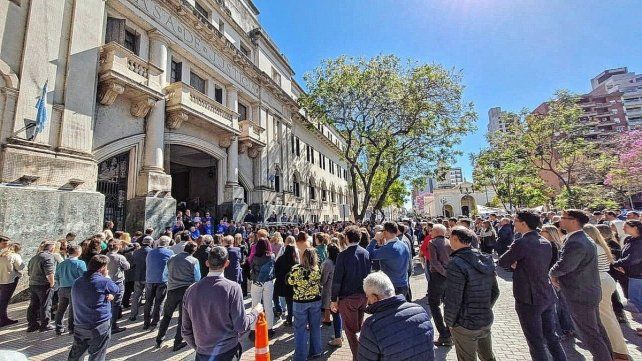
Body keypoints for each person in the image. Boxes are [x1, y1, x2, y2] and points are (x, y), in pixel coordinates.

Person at [497, 211, 566, 361]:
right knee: (551, 336)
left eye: (515, 221)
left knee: (535, 341)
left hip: (529, 297)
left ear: (523, 223)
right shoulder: (545, 241)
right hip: (546, 293)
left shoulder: (522, 242)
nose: (513, 223)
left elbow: (502, 262)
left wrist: (516, 264)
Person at [549, 209, 612, 361]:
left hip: (580, 293)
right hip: (587, 291)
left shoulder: (576, 241)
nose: (560, 221)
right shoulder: (581, 238)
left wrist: (552, 273)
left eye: (563, 218)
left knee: (589, 334)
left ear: (573, 221)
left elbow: (564, 265)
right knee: (596, 330)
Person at [182, 246, 263, 360]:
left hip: (203, 353)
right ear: (227, 263)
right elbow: (241, 325)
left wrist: (200, 348)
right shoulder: (233, 288)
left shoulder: (190, 290)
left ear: (207, 263)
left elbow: (185, 331)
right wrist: (255, 312)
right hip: (227, 352)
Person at [444, 226, 499, 361]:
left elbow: (453, 298)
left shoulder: (456, 263)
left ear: (455, 239)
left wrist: (450, 322)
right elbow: (495, 291)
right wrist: (484, 308)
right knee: (488, 357)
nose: (449, 241)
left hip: (465, 323)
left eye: (450, 237)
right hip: (484, 319)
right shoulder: (485, 258)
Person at [357, 271, 435, 361]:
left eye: (367, 297)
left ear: (374, 297)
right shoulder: (420, 311)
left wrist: (365, 339)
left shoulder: (371, 326)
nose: (367, 301)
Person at [583, 224, 629, 361]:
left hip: (599, 281)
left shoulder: (593, 248)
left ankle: (618, 351)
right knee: (607, 316)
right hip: (605, 280)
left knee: (606, 318)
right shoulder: (601, 246)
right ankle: (617, 349)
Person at [68, 255, 120, 361]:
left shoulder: (77, 282)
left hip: (80, 324)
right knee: (97, 356)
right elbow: (116, 289)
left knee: (75, 355)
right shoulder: (104, 282)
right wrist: (107, 277)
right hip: (99, 325)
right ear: (103, 268)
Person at [331, 226, 370, 359]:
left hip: (348, 298)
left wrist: (333, 299)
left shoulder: (342, 255)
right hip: (363, 296)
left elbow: (337, 280)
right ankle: (362, 354)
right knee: (358, 328)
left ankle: (358, 357)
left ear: (347, 238)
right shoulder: (365, 252)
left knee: (351, 331)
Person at [156, 241, 201, 351]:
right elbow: (197, 278)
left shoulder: (172, 258)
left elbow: (165, 275)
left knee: (166, 315)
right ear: (194, 251)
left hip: (172, 290)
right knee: (183, 318)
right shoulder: (194, 261)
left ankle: (159, 339)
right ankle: (177, 342)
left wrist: (170, 281)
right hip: (187, 291)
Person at [288, 248, 323, 361]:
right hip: (315, 300)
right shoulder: (317, 269)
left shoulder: (296, 269)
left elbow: (290, 281)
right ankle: (316, 351)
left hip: (300, 302)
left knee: (300, 329)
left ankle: (300, 356)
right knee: (315, 327)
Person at [540, 225, 574, 338]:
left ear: (549, 233)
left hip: (552, 279)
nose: (540, 232)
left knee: (554, 306)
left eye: (543, 231)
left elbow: (550, 265)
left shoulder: (550, 246)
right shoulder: (558, 246)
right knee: (562, 305)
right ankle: (567, 329)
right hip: (558, 278)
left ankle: (557, 332)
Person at [367, 222, 411, 299]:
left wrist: (374, 240)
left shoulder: (389, 248)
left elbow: (367, 254)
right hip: (403, 283)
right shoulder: (403, 244)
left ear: (386, 232)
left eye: (382, 231)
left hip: (392, 286)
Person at [427, 223, 452, 346]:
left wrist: (444, 273)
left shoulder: (432, 243)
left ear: (436, 232)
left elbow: (434, 262)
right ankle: (449, 332)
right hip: (449, 276)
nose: (430, 232)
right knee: (448, 304)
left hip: (438, 276)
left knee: (434, 304)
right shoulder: (449, 241)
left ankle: (444, 334)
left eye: (432, 230)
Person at [53, 245, 86, 335]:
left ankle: (58, 327)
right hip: (74, 288)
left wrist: (61, 284)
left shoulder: (62, 263)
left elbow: (56, 276)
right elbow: (83, 276)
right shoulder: (80, 263)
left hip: (62, 288)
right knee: (73, 309)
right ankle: (71, 328)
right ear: (78, 252)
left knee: (61, 309)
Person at [144, 236, 174, 330]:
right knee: (159, 302)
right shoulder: (170, 252)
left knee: (148, 302)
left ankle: (146, 323)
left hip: (150, 279)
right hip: (162, 280)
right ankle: (155, 323)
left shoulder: (150, 252)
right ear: (167, 244)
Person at [613, 220, 642, 313]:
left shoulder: (639, 242)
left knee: (636, 300)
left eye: (626, 226)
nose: (623, 228)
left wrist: (615, 263)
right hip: (633, 274)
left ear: (635, 228)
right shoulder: (631, 239)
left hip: (638, 275)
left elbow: (633, 259)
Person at [26, 240, 56, 332]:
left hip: (33, 283)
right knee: (45, 304)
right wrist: (52, 283)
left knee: (33, 305)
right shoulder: (48, 257)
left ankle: (32, 324)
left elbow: (29, 272)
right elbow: (49, 273)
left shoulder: (34, 257)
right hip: (43, 284)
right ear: (51, 248)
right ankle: (45, 325)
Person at [250, 238, 276, 337]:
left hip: (257, 282)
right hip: (268, 282)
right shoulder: (271, 256)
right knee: (268, 305)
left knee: (255, 305)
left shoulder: (255, 257)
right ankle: (269, 329)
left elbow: (251, 267)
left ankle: (253, 330)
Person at [105, 240, 130, 334]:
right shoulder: (120, 257)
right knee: (116, 304)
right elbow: (127, 266)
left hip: (106, 282)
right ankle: (113, 326)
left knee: (107, 303)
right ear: (117, 248)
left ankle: (106, 323)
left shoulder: (104, 257)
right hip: (117, 282)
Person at [0, 237, 25, 327]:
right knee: (4, 300)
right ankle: (3, 319)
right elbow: (20, 267)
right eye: (5, 243)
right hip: (8, 280)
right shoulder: (13, 255)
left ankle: (3, 318)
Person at [321, 243, 342, 346]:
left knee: (335, 314)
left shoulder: (328, 263)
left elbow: (323, 280)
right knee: (338, 314)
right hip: (341, 290)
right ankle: (339, 334)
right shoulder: (341, 260)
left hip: (330, 291)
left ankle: (338, 338)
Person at [129, 236, 151, 322]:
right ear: (150, 243)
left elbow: (133, 263)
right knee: (148, 297)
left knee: (136, 296)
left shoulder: (136, 252)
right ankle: (147, 315)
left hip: (137, 276)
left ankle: (133, 315)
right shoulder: (151, 252)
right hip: (147, 277)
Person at [274, 244, 297, 326]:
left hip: (281, 283)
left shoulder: (280, 259)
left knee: (278, 298)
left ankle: (281, 312)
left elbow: (275, 270)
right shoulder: (295, 261)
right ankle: (290, 318)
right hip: (291, 285)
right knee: (291, 303)